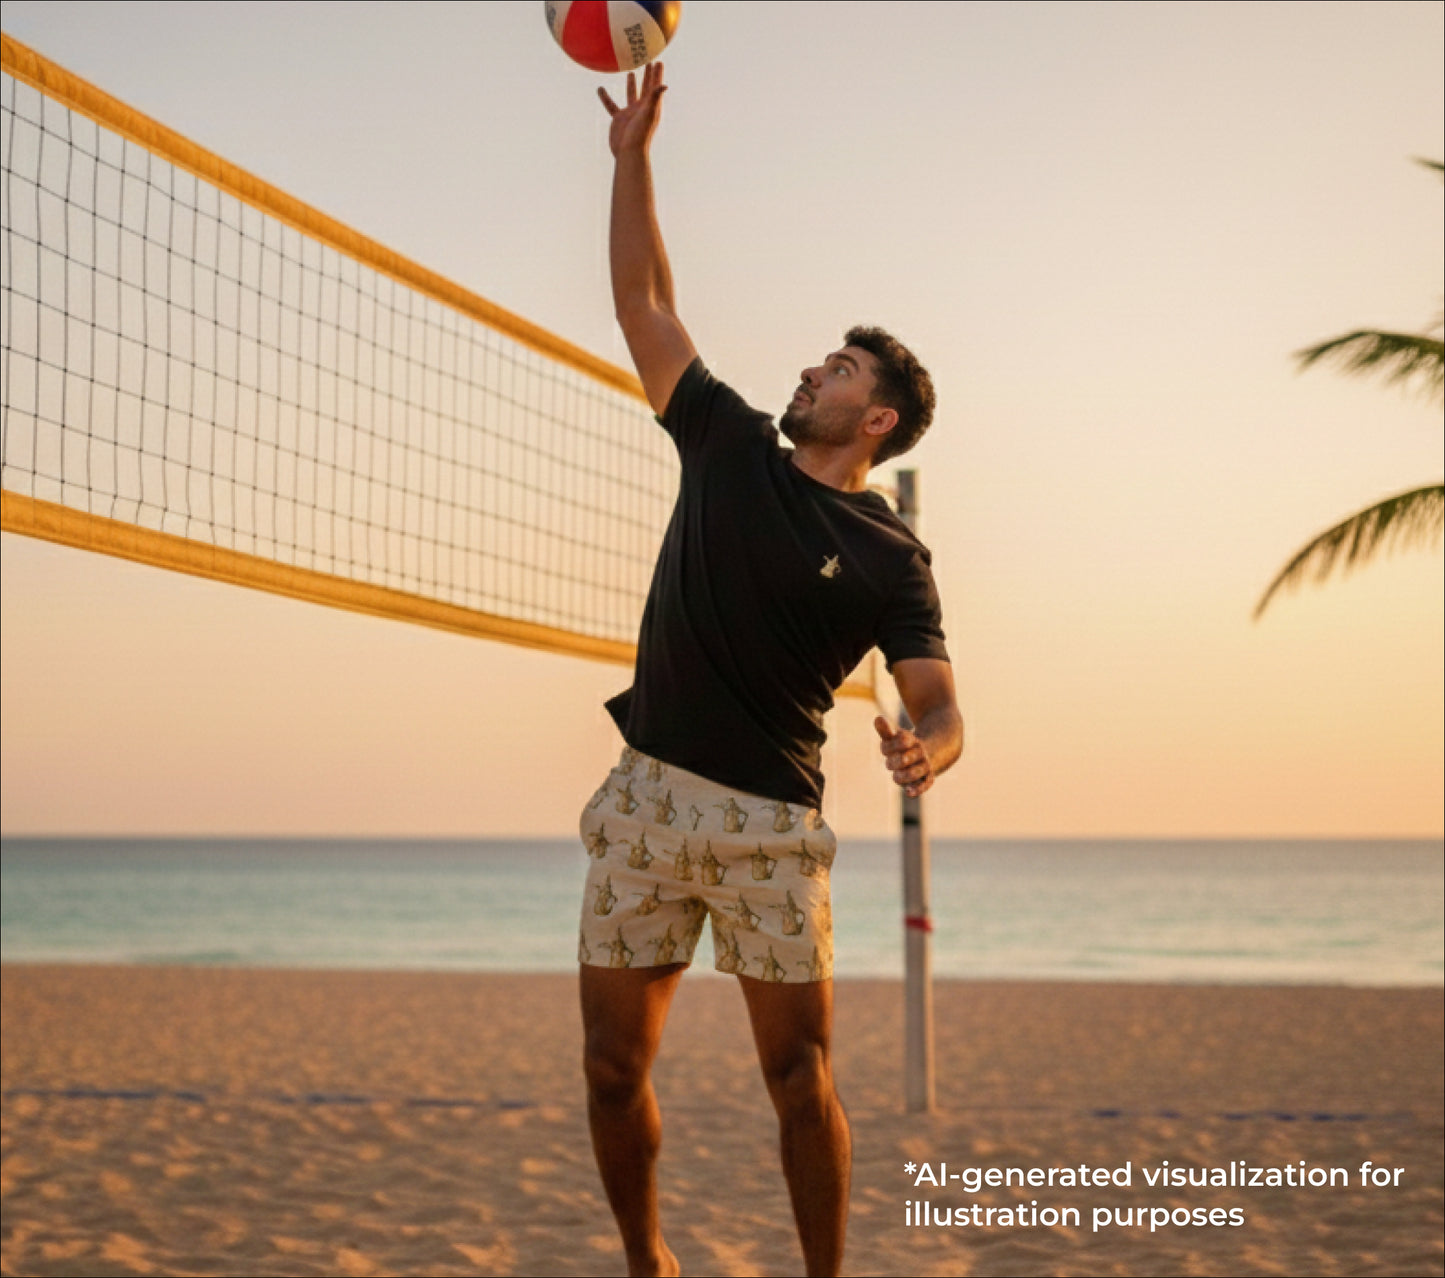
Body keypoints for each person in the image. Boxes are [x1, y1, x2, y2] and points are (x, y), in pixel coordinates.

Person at [578, 63, 963, 1278]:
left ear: (878, 421)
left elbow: (940, 700)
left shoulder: (891, 550)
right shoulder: (727, 441)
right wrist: (632, 155)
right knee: (608, 1069)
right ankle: (648, 1263)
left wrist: (925, 749)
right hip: (645, 796)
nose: (812, 372)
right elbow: (644, 300)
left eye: (840, 371)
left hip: (769, 827)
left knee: (798, 1078)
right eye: (819, 361)